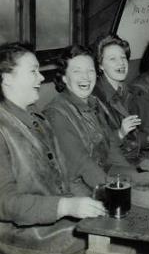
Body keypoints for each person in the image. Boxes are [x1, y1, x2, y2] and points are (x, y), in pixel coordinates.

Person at [0, 43, 105, 254]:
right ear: (7, 78)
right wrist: (65, 207)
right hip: (20, 234)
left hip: (52, 222)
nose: (41, 78)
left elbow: (64, 178)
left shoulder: (37, 118)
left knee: (113, 230)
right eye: (33, 71)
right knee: (116, 244)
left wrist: (91, 201)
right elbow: (5, 202)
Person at [44, 45, 137, 196]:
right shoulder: (56, 114)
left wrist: (130, 172)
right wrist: (113, 190)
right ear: (64, 78)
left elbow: (110, 146)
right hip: (76, 189)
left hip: (99, 175)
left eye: (90, 70)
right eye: (77, 71)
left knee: (138, 180)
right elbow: (81, 164)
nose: (86, 77)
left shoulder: (94, 102)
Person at [92, 34, 149, 159]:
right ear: (100, 65)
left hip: (134, 159)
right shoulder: (95, 98)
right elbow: (97, 150)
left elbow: (132, 137)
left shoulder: (126, 91)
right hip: (114, 167)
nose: (121, 63)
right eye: (112, 59)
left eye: (123, 57)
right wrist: (120, 133)